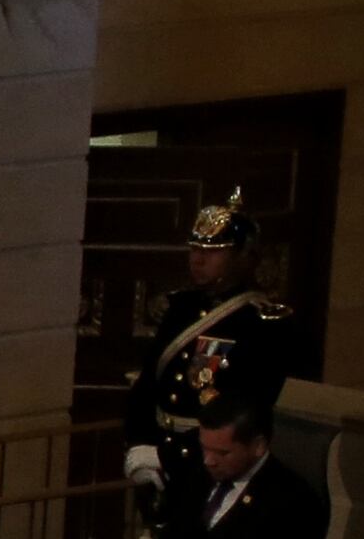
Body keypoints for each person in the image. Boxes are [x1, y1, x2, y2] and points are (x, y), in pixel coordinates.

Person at [123, 190, 314, 506]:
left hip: (211, 467)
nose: (197, 259)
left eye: (213, 251)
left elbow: (251, 409)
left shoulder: (263, 324)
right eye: (195, 248)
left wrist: (169, 455)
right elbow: (149, 384)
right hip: (158, 464)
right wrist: (139, 445)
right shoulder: (180, 308)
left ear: (245, 256)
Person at [144, 401, 330, 539]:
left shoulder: (294, 501)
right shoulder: (198, 476)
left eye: (222, 453)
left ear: (258, 446)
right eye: (205, 448)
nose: (209, 460)